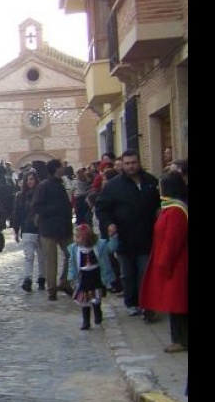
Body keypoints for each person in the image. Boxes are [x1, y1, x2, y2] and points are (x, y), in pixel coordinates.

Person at [95, 150, 161, 320]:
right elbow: (102, 209)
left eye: (133, 162)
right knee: (128, 273)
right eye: (127, 163)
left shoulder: (150, 181)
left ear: (139, 163)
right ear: (122, 165)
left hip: (147, 236)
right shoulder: (114, 186)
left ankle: (147, 304)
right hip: (125, 237)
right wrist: (109, 224)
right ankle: (132, 302)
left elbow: (159, 203)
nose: (131, 166)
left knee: (145, 271)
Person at [140, 172, 189, 352]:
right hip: (172, 264)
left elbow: (172, 241)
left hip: (176, 265)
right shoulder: (170, 208)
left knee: (178, 304)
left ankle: (181, 340)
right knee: (175, 305)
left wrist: (164, 264)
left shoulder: (176, 211)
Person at [31, 159, 75, 301]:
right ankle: (52, 289)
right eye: (62, 166)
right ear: (56, 168)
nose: (64, 167)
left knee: (72, 254)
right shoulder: (44, 185)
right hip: (49, 228)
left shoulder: (61, 184)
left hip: (64, 227)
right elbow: (37, 206)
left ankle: (64, 281)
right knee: (51, 260)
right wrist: (54, 209)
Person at [66, 223, 104, 330]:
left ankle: (97, 312)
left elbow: (107, 251)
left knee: (96, 296)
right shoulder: (75, 249)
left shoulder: (98, 246)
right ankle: (86, 321)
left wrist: (113, 238)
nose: (75, 239)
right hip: (83, 276)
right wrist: (71, 276)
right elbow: (72, 264)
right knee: (84, 299)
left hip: (95, 274)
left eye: (77, 237)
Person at [13, 171, 45, 292]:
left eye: (32, 179)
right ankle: (28, 279)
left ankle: (42, 278)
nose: (29, 182)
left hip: (41, 229)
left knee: (42, 256)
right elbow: (16, 213)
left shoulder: (42, 194)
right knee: (29, 256)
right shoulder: (20, 196)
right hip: (27, 229)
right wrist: (16, 230)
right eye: (27, 180)